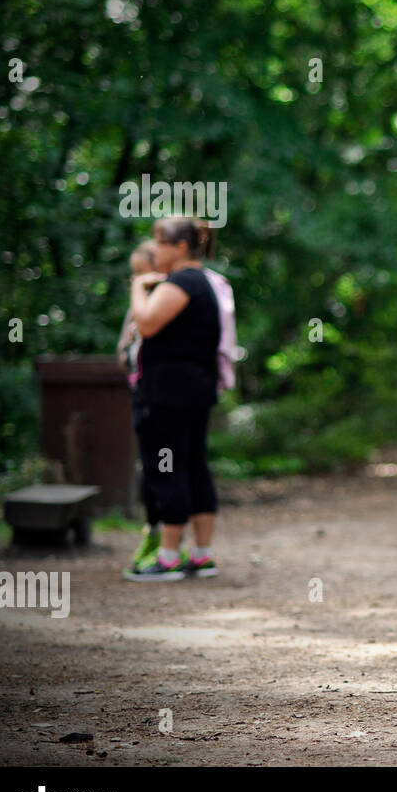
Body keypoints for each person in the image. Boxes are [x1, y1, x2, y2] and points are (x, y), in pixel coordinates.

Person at [123, 216, 222, 581]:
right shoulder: (204, 282)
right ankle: (201, 554)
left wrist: (138, 286)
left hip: (169, 392)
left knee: (166, 466)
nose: (155, 251)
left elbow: (146, 323)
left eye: (160, 243)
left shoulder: (183, 281)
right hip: (195, 390)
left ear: (180, 247)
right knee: (193, 465)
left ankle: (166, 558)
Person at [117, 239, 165, 573]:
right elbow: (123, 345)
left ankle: (167, 538)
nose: (136, 279)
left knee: (165, 466)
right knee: (149, 466)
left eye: (140, 272)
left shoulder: (167, 300)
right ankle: (153, 531)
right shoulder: (138, 303)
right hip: (140, 394)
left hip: (161, 395)